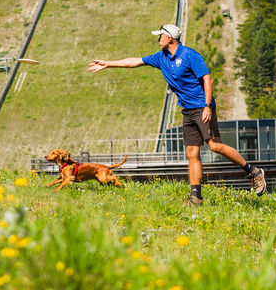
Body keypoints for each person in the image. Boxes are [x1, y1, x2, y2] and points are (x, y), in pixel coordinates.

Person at [87, 23, 266, 206]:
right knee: (191, 152)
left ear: (169, 38)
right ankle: (196, 198)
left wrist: (207, 106)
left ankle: (253, 171)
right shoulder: (161, 57)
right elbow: (135, 61)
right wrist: (108, 64)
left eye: (160, 36)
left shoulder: (190, 55)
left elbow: (207, 79)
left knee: (215, 146)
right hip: (188, 109)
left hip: (201, 106)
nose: (158, 39)